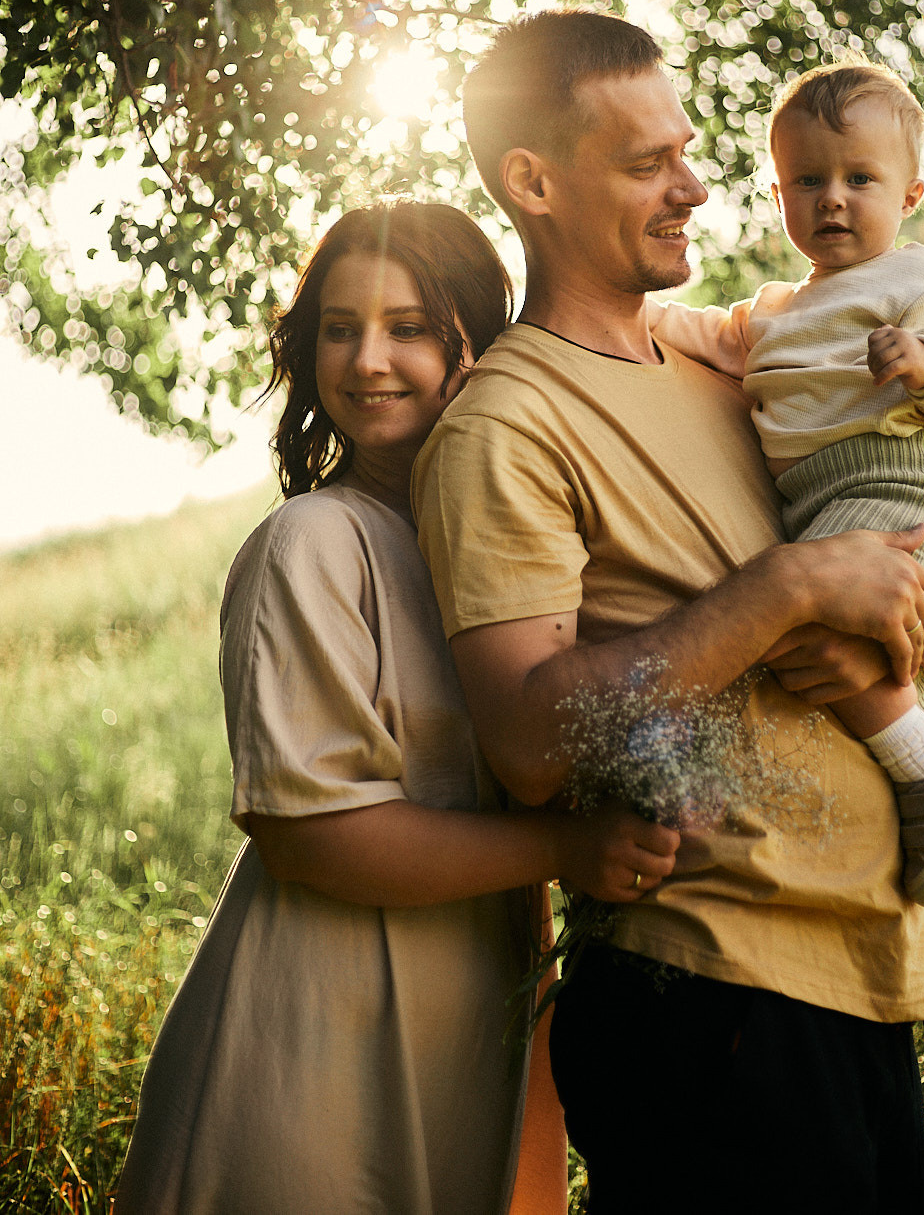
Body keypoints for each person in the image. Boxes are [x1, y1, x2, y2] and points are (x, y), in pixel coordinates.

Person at [412, 12, 924, 1214]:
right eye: (647, 164)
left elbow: (917, 583)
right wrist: (787, 589)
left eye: (687, 151)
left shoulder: (733, 366)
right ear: (534, 181)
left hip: (863, 973)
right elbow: (528, 743)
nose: (693, 184)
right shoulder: (505, 424)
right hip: (709, 999)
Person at [113, 200, 678, 1215]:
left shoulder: (518, 555)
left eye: (409, 327)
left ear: (479, 339)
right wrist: (568, 847)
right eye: (340, 328)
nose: (368, 359)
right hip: (314, 1041)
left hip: (477, 1021)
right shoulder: (314, 545)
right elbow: (312, 838)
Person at [649, 59, 924, 918]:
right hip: (827, 496)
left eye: (860, 178)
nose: (832, 199)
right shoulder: (778, 309)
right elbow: (706, 332)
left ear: (910, 193)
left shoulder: (916, 281)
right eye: (806, 180)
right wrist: (639, 317)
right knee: (833, 631)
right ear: (777, 194)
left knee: (803, 618)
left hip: (896, 476)